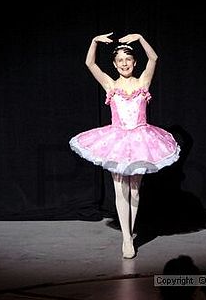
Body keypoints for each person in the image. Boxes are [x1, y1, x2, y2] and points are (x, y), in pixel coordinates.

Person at [69, 32, 181, 259]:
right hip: (117, 142)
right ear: (114, 64)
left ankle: (131, 231)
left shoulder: (143, 82)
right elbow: (89, 63)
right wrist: (93, 42)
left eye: (127, 60)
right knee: (120, 190)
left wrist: (140, 38)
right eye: (119, 61)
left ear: (134, 62)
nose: (124, 64)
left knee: (135, 191)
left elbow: (154, 58)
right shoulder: (110, 84)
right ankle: (127, 238)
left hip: (141, 140)